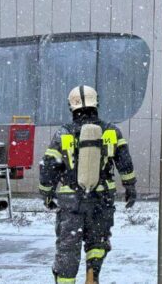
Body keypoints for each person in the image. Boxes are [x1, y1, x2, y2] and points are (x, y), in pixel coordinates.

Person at [39, 85, 137, 284]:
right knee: (97, 241)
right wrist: (130, 187)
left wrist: (47, 194)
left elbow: (49, 166)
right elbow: (124, 162)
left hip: (71, 201)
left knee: (68, 246)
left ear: (71, 107)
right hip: (102, 198)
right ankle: (92, 274)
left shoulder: (63, 133)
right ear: (96, 104)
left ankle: (66, 280)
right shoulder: (111, 131)